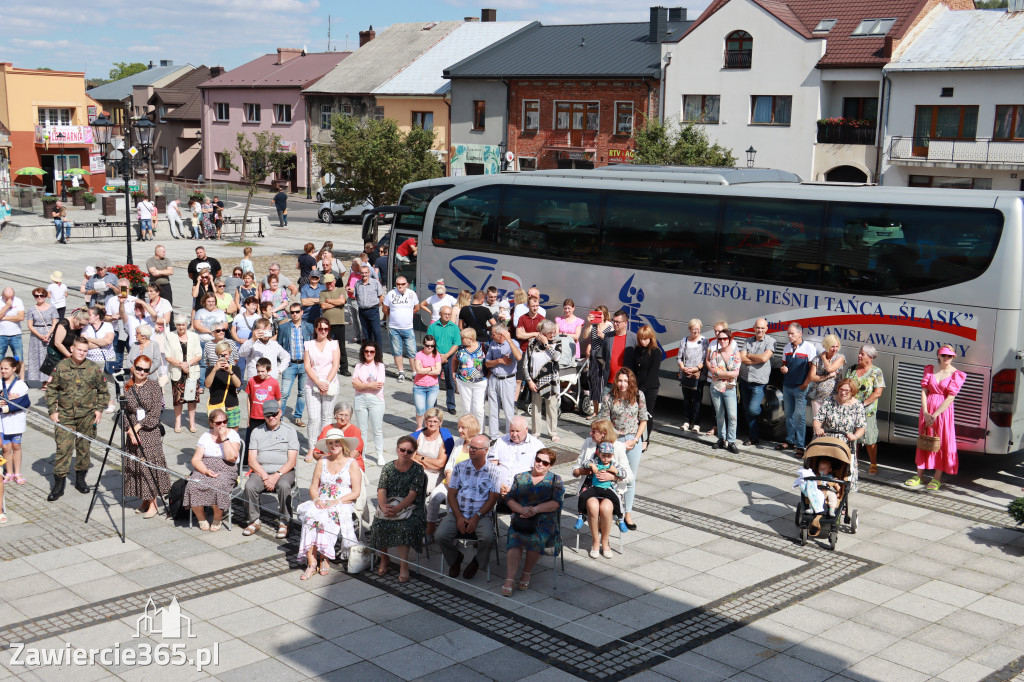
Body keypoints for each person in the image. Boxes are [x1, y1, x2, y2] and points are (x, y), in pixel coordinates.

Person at [44, 337, 109, 501]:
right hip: (65, 416)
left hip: (86, 416)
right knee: (63, 449)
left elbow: (103, 391)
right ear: (72, 349)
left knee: (83, 449)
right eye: (79, 349)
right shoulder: (61, 367)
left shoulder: (93, 368)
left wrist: (99, 410)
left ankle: (81, 480)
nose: (82, 353)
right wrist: (53, 410)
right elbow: (51, 390)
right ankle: (58, 485)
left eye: (85, 350)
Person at [296, 429, 361, 580]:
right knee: (310, 516)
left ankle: (324, 558)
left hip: (342, 502)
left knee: (326, 518)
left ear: (343, 443)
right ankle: (311, 562)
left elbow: (356, 492)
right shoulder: (322, 462)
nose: (334, 445)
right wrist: (317, 499)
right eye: (330, 443)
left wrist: (336, 501)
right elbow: (313, 486)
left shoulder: (352, 463)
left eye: (337, 442)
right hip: (322, 500)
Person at [436, 434, 500, 580]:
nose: (471, 450)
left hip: (481, 514)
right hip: (459, 511)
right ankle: (455, 558)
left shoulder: (494, 471)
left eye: (475, 448)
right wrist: (459, 517)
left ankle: (477, 561)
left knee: (488, 538)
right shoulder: (460, 467)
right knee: (440, 535)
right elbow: (451, 494)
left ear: (485, 451)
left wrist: (477, 517)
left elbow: (493, 498)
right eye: (471, 447)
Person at [502, 447, 563, 595]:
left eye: (545, 462)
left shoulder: (555, 480)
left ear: (550, 466)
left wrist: (535, 510)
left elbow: (556, 503)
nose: (540, 464)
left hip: (545, 520)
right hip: (522, 517)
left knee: (536, 538)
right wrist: (522, 510)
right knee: (515, 537)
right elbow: (509, 498)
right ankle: (509, 579)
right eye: (538, 460)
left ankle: (526, 573)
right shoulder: (521, 477)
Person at [907, 346, 966, 492]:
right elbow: (924, 391)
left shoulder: (956, 374)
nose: (947, 358)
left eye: (950, 356)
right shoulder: (930, 369)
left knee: (941, 442)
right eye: (944, 355)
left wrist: (935, 414)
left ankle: (937, 477)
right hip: (927, 410)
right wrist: (926, 411)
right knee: (924, 440)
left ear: (953, 357)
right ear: (938, 355)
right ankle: (919, 475)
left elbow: (951, 397)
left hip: (943, 413)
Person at [370, 436, 427, 583]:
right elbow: (382, 489)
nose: (405, 453)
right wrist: (383, 507)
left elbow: (412, 494)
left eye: (409, 451)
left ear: (413, 453)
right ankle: (384, 559)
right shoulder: (388, 467)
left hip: (411, 507)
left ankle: (403, 565)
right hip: (390, 503)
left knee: (404, 527)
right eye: (402, 450)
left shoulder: (417, 469)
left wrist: (397, 509)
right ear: (397, 449)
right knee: (379, 524)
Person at [597, 368, 647, 530]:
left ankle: (628, 514)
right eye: (620, 380)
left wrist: (636, 439)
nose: (623, 384)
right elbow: (603, 422)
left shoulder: (638, 396)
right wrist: (615, 442)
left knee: (630, 478)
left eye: (626, 381)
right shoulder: (609, 398)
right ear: (616, 381)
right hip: (615, 442)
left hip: (633, 440)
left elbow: (643, 419)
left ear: (630, 381)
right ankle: (612, 511)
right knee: (612, 475)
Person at [243, 400, 299, 539]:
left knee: (284, 485)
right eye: (268, 415)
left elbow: (292, 461)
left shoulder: (290, 432)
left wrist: (276, 475)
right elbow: (251, 460)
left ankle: (285, 522)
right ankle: (254, 520)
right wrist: (265, 475)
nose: (271, 417)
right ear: (264, 416)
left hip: (284, 470)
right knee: (249, 486)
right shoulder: (256, 432)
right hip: (262, 470)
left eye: (274, 414)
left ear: (280, 413)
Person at [122, 354, 170, 518]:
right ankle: (144, 499)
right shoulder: (127, 387)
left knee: (148, 467)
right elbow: (124, 412)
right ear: (133, 368)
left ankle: (154, 503)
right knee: (136, 467)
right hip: (132, 432)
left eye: (146, 370)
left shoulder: (154, 387)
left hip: (149, 431)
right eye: (139, 368)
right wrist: (129, 429)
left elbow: (155, 413)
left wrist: (136, 427)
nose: (142, 372)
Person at [572, 420, 631, 548]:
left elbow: (629, 476)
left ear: (604, 433)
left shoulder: (619, 447)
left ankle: (605, 542)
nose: (590, 433)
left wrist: (613, 476)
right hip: (590, 487)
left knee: (606, 508)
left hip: (610, 488)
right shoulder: (588, 443)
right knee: (593, 507)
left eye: (594, 431)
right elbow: (576, 468)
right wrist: (580, 471)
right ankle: (595, 542)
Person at [183, 409, 242, 531]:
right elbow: (196, 460)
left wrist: (224, 437)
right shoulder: (205, 436)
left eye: (224, 422)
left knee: (217, 485)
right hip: (206, 467)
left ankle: (218, 516)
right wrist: (205, 471)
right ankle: (201, 518)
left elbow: (232, 457)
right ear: (211, 423)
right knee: (193, 484)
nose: (222, 425)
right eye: (218, 423)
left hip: (226, 468)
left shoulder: (232, 435)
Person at [425, 414, 479, 540]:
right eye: (459, 427)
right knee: (434, 498)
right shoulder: (459, 442)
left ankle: (451, 531)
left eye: (463, 428)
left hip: (465, 486)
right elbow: (450, 463)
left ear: (471, 429)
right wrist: (449, 474)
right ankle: (430, 530)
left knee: (451, 501)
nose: (459, 430)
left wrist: (456, 484)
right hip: (450, 481)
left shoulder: (478, 445)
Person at [813, 378, 867, 490]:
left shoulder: (857, 406)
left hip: (845, 444)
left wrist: (855, 436)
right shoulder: (829, 401)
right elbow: (818, 419)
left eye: (847, 390)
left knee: (844, 473)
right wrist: (818, 428)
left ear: (853, 391)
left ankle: (842, 497)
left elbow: (861, 427)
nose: (843, 392)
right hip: (829, 442)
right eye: (841, 389)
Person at [777, 322, 816, 457]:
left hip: (801, 387)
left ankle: (800, 446)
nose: (789, 336)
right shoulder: (787, 347)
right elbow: (784, 364)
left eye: (792, 333)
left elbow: (812, 368)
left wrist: (806, 384)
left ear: (800, 334)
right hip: (788, 385)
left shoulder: (809, 347)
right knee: (789, 415)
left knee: (800, 416)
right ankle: (790, 440)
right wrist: (783, 369)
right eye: (788, 333)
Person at [303, 317, 340, 455]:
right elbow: (307, 366)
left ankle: (324, 447)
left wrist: (326, 383)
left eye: (326, 329)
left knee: (327, 417)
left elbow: (335, 365)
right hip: (312, 384)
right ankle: (312, 447)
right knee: (313, 418)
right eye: (321, 328)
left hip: (330, 384)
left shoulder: (333, 344)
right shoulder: (309, 344)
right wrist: (318, 382)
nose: (323, 331)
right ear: (316, 329)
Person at [739, 318, 774, 446]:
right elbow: (742, 358)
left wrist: (749, 355)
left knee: (753, 410)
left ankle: (762, 414)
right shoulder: (747, 341)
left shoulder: (770, 341)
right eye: (758, 328)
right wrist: (756, 359)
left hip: (759, 382)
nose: (760, 330)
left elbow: (765, 358)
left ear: (766, 329)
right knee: (747, 410)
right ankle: (753, 437)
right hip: (744, 379)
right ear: (754, 328)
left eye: (762, 328)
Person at [489, 416, 544, 498]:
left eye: (517, 431)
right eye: (512, 431)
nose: (514, 434)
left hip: (524, 493)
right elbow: (491, 466)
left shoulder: (537, 446)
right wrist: (498, 484)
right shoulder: (501, 441)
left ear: (526, 429)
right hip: (499, 490)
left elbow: (540, 473)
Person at [165, 314, 202, 433]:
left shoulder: (194, 336)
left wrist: (188, 364)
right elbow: (168, 356)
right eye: (179, 325)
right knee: (178, 399)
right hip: (177, 370)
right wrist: (181, 364)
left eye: (183, 325)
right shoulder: (170, 336)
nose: (181, 327)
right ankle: (178, 422)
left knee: (192, 398)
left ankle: (192, 422)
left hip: (192, 371)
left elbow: (199, 355)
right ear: (175, 325)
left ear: (187, 325)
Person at [526, 320, 561, 441]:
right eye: (549, 333)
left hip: (551, 381)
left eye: (553, 332)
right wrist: (529, 380)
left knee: (551, 407)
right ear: (542, 333)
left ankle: (553, 432)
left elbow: (556, 357)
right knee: (536, 407)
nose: (552, 335)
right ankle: (536, 432)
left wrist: (546, 344)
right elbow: (526, 364)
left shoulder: (556, 342)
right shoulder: (532, 343)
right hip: (535, 380)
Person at [485, 324, 522, 439]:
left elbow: (519, 357)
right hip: (494, 378)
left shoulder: (513, 343)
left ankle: (509, 436)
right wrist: (499, 360)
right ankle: (493, 436)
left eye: (493, 334)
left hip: (507, 379)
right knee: (493, 409)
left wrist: (509, 340)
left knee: (508, 410)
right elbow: (487, 363)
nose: (491, 336)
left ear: (501, 335)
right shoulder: (492, 344)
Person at [278, 304, 312, 428]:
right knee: (284, 393)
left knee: (302, 392)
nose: (295, 314)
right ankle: (279, 418)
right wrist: (282, 363)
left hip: (304, 364)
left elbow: (312, 345)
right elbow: (280, 346)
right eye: (292, 312)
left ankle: (298, 417)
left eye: (297, 311)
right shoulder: (284, 327)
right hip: (290, 364)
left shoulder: (309, 327)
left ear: (302, 312)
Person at [708, 328, 741, 453]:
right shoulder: (714, 354)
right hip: (716, 388)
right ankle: (721, 439)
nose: (722, 341)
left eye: (724, 339)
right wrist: (728, 374)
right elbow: (714, 371)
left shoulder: (735, 354)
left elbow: (736, 373)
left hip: (730, 388)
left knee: (732, 416)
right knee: (719, 415)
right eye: (720, 339)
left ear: (730, 339)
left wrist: (721, 374)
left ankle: (731, 441)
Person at [353, 340, 386, 463]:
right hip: (360, 399)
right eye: (366, 351)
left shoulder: (380, 366)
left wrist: (362, 385)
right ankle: (363, 453)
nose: (369, 353)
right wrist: (369, 385)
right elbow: (354, 384)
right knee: (362, 430)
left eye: (372, 351)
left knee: (377, 429)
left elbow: (378, 385)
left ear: (375, 353)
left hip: (376, 400)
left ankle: (380, 454)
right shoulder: (358, 366)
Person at [0, 358, 31, 486]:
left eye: (6, 368)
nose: (3, 371)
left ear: (14, 369)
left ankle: (17, 473)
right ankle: (9, 472)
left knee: (16, 446)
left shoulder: (21, 385)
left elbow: (25, 403)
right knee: (6, 447)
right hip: (2, 422)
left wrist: (12, 404)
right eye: (1, 368)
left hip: (16, 422)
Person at [383, 276, 419, 382]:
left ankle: (414, 373)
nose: (400, 286)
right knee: (397, 351)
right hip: (394, 328)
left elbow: (417, 307)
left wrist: (408, 315)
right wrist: (393, 316)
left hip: (408, 328)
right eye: (398, 284)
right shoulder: (391, 294)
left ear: (407, 284)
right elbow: (385, 309)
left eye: (403, 284)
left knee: (412, 352)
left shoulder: (412, 294)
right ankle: (401, 372)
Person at [410, 407, 454, 492]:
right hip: (417, 470)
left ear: (440, 422)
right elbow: (411, 458)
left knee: (418, 488)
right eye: (429, 421)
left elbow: (440, 464)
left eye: (435, 421)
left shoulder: (443, 438)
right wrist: (426, 465)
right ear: (425, 421)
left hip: (435, 474)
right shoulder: (418, 436)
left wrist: (421, 458)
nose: (432, 424)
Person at [631, 324, 660, 451]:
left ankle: (646, 439)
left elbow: (653, 372)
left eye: (646, 339)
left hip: (650, 387)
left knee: (647, 414)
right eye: (641, 338)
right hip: (637, 386)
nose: (643, 341)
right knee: (636, 413)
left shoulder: (656, 352)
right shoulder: (637, 350)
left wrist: (642, 389)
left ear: (650, 338)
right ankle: (637, 436)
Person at [310, 402, 364, 470]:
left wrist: (329, 458)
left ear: (350, 416)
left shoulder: (355, 431)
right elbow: (316, 452)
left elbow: (353, 455)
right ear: (335, 415)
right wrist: (328, 460)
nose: (343, 418)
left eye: (346, 415)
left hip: (351, 465)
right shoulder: (327, 429)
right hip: (329, 464)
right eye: (340, 414)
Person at [428, 306, 460, 415]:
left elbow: (456, 344)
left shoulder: (454, 328)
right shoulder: (432, 327)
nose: (447, 316)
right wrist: (439, 355)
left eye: (449, 314)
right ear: (440, 314)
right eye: (445, 314)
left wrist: (446, 355)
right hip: (435, 357)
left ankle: (451, 405)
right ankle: (433, 405)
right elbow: (430, 343)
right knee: (434, 381)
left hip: (449, 357)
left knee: (450, 381)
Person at [515, 296, 546, 406]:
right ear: (528, 306)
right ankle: (514, 402)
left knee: (534, 378)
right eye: (533, 306)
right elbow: (519, 334)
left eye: (537, 306)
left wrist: (526, 335)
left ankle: (532, 402)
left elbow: (544, 336)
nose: (535, 308)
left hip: (536, 352)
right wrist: (534, 334)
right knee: (518, 379)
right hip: (524, 350)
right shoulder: (522, 318)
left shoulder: (542, 319)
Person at [205, 341, 242, 430]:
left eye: (225, 354)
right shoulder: (211, 369)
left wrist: (230, 371)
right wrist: (214, 370)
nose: (223, 357)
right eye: (221, 355)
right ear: (217, 355)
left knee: (233, 435)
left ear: (229, 354)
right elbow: (207, 384)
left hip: (231, 406)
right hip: (216, 405)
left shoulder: (235, 369)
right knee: (216, 436)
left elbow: (238, 384)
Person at [245, 357, 281, 450]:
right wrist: (249, 416)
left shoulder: (274, 383)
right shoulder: (252, 381)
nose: (260, 374)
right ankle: (247, 460)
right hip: (254, 416)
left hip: (268, 416)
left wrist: (277, 415)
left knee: (267, 440)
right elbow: (249, 399)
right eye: (258, 371)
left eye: (262, 371)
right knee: (252, 440)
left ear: (269, 370)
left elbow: (278, 400)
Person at [808, 334, 846, 419]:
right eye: (832, 346)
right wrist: (827, 377)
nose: (835, 349)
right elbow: (812, 377)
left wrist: (823, 358)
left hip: (834, 397)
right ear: (826, 346)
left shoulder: (840, 358)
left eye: (837, 346)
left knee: (830, 423)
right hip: (818, 397)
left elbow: (830, 369)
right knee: (818, 424)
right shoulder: (817, 359)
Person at [455, 327, 487, 428]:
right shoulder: (460, 348)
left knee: (478, 409)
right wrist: (453, 372)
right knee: (467, 408)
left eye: (462, 338)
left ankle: (479, 431)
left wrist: (488, 375)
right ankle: (468, 430)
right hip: (463, 381)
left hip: (479, 381)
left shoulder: (483, 347)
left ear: (470, 339)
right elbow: (455, 360)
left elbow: (489, 361)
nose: (461, 340)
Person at [317, 274, 349, 376]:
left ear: (334, 281)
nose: (329, 285)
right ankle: (326, 367)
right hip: (326, 324)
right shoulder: (322, 293)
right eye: (327, 283)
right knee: (326, 346)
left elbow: (342, 301)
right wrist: (337, 303)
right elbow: (323, 306)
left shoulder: (341, 290)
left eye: (330, 282)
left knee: (341, 347)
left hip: (339, 322)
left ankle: (344, 368)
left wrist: (329, 301)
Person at [25, 287, 57, 384]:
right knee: (39, 358)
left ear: (45, 296)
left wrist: (48, 334)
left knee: (50, 358)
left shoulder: (52, 307)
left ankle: (50, 380)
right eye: (36, 296)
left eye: (41, 295)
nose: (39, 298)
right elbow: (30, 325)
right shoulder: (31, 309)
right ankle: (43, 381)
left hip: (49, 333)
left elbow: (55, 322)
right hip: (36, 336)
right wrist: (40, 335)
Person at [586, 305, 614, 414]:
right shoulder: (593, 326)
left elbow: (612, 342)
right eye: (597, 314)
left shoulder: (609, 326)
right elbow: (584, 336)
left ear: (605, 314)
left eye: (600, 314)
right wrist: (589, 323)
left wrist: (603, 336)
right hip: (593, 355)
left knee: (603, 382)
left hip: (603, 357)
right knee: (593, 382)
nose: (599, 316)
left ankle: (604, 412)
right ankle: (595, 411)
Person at [412, 335, 442, 429]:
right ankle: (419, 427)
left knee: (429, 410)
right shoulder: (419, 355)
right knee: (420, 409)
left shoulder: (436, 355)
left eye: (432, 346)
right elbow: (418, 371)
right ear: (423, 344)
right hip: (419, 386)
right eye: (427, 345)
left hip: (433, 386)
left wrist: (424, 369)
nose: (430, 348)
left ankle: (428, 427)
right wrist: (431, 368)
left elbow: (438, 371)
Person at [354, 265, 385, 346]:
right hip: (362, 311)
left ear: (369, 273)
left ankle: (378, 354)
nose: (364, 274)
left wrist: (376, 306)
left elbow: (381, 297)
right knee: (367, 334)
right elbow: (356, 297)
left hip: (373, 310)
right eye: (362, 273)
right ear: (360, 274)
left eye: (366, 273)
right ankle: (369, 352)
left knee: (376, 332)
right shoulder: (357, 284)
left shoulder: (375, 283)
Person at [0, 288, 25, 373]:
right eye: (7, 298)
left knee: (19, 358)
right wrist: (7, 306)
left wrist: (4, 317)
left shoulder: (18, 301)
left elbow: (21, 317)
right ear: (2, 295)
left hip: (15, 334)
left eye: (11, 297)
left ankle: (21, 379)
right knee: (0, 358)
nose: (10, 300)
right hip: (1, 335)